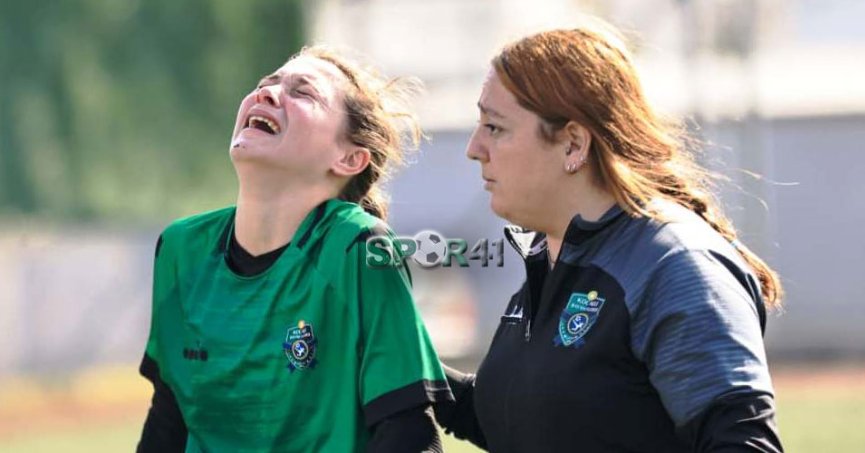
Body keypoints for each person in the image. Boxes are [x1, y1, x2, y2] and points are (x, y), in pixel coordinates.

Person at [435, 23, 784, 452]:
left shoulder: (675, 265)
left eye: (494, 127)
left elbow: (742, 444)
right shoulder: (559, 255)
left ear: (573, 144)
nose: (474, 148)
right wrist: (400, 359)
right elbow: (534, 422)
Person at [136, 46, 453, 452]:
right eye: (265, 84)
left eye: (303, 92)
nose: (265, 94)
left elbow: (410, 434)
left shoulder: (358, 249)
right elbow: (169, 421)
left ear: (349, 158)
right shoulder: (183, 250)